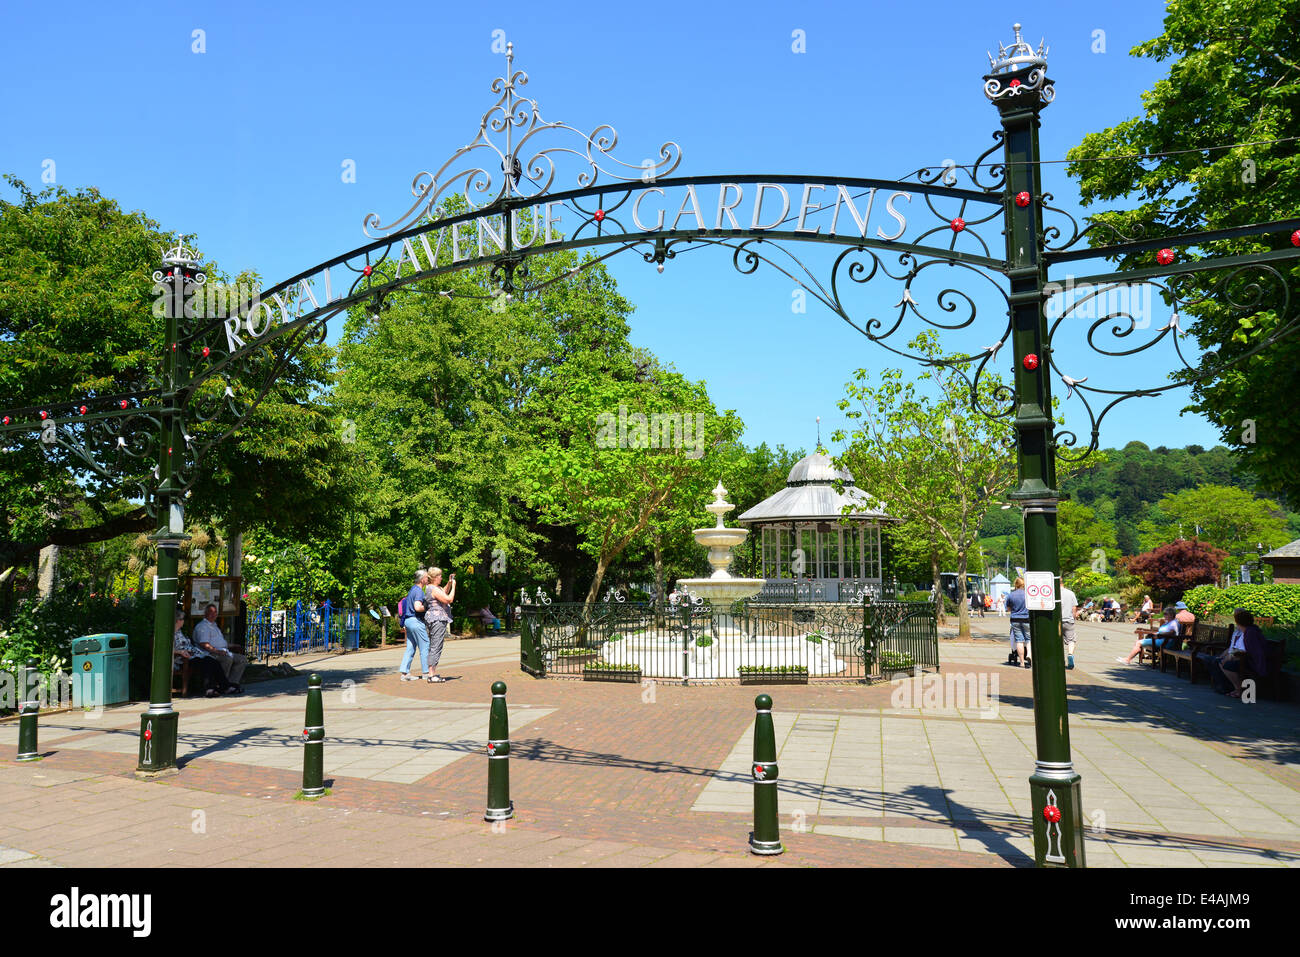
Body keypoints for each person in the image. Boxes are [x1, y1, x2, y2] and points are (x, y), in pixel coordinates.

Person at [1197, 608, 1266, 698]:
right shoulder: (1245, 631)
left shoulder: (1250, 632)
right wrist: (1225, 656)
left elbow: (1248, 651)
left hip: (1251, 662)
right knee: (1216, 661)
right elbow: (1233, 647)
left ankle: (1238, 690)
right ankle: (1229, 687)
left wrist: (1230, 657)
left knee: (1224, 664)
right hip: (1244, 658)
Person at [173, 611, 232, 697]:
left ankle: (224, 686)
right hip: (183, 659)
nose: (183, 621)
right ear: (177, 620)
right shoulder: (171, 633)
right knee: (207, 662)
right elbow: (169, 649)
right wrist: (180, 652)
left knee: (213, 661)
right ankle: (210, 689)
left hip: (194, 655)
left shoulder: (179, 632)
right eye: (182, 619)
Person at [195, 602, 247, 692]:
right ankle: (222, 685)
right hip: (210, 653)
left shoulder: (214, 626)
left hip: (223, 650)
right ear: (206, 613)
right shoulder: (202, 626)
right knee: (227, 659)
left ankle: (232, 684)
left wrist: (233, 645)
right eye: (211, 612)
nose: (213, 615)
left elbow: (221, 643)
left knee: (242, 659)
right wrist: (217, 651)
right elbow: (204, 644)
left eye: (215, 612)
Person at [422, 568, 456, 682]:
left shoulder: (433, 588)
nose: (441, 578)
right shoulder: (433, 589)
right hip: (437, 619)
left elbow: (444, 591)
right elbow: (448, 599)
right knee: (436, 646)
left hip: (432, 619)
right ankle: (431, 675)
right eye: (440, 576)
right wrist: (454, 586)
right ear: (435, 577)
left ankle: (431, 673)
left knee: (434, 645)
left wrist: (450, 582)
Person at [399, 569, 430, 681]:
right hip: (416, 621)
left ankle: (405, 673)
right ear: (422, 580)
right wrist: (427, 607)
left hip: (408, 621)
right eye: (427, 577)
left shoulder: (412, 589)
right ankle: (427, 673)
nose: (428, 579)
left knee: (411, 647)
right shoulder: (418, 591)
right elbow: (417, 607)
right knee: (425, 645)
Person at [1005, 577, 1030, 668]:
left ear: (1016, 584)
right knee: (1028, 639)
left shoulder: (1011, 595)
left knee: (1019, 640)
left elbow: (1008, 608)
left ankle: (1022, 662)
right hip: (1026, 618)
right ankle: (1029, 655)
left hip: (1015, 619)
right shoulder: (1028, 594)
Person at [1057, 583, 1079, 670]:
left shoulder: (1054, 594)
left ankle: (1059, 659)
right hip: (1068, 620)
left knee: (1058, 641)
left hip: (1057, 621)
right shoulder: (1070, 593)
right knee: (1071, 640)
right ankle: (1070, 654)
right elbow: (1074, 608)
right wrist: (1073, 617)